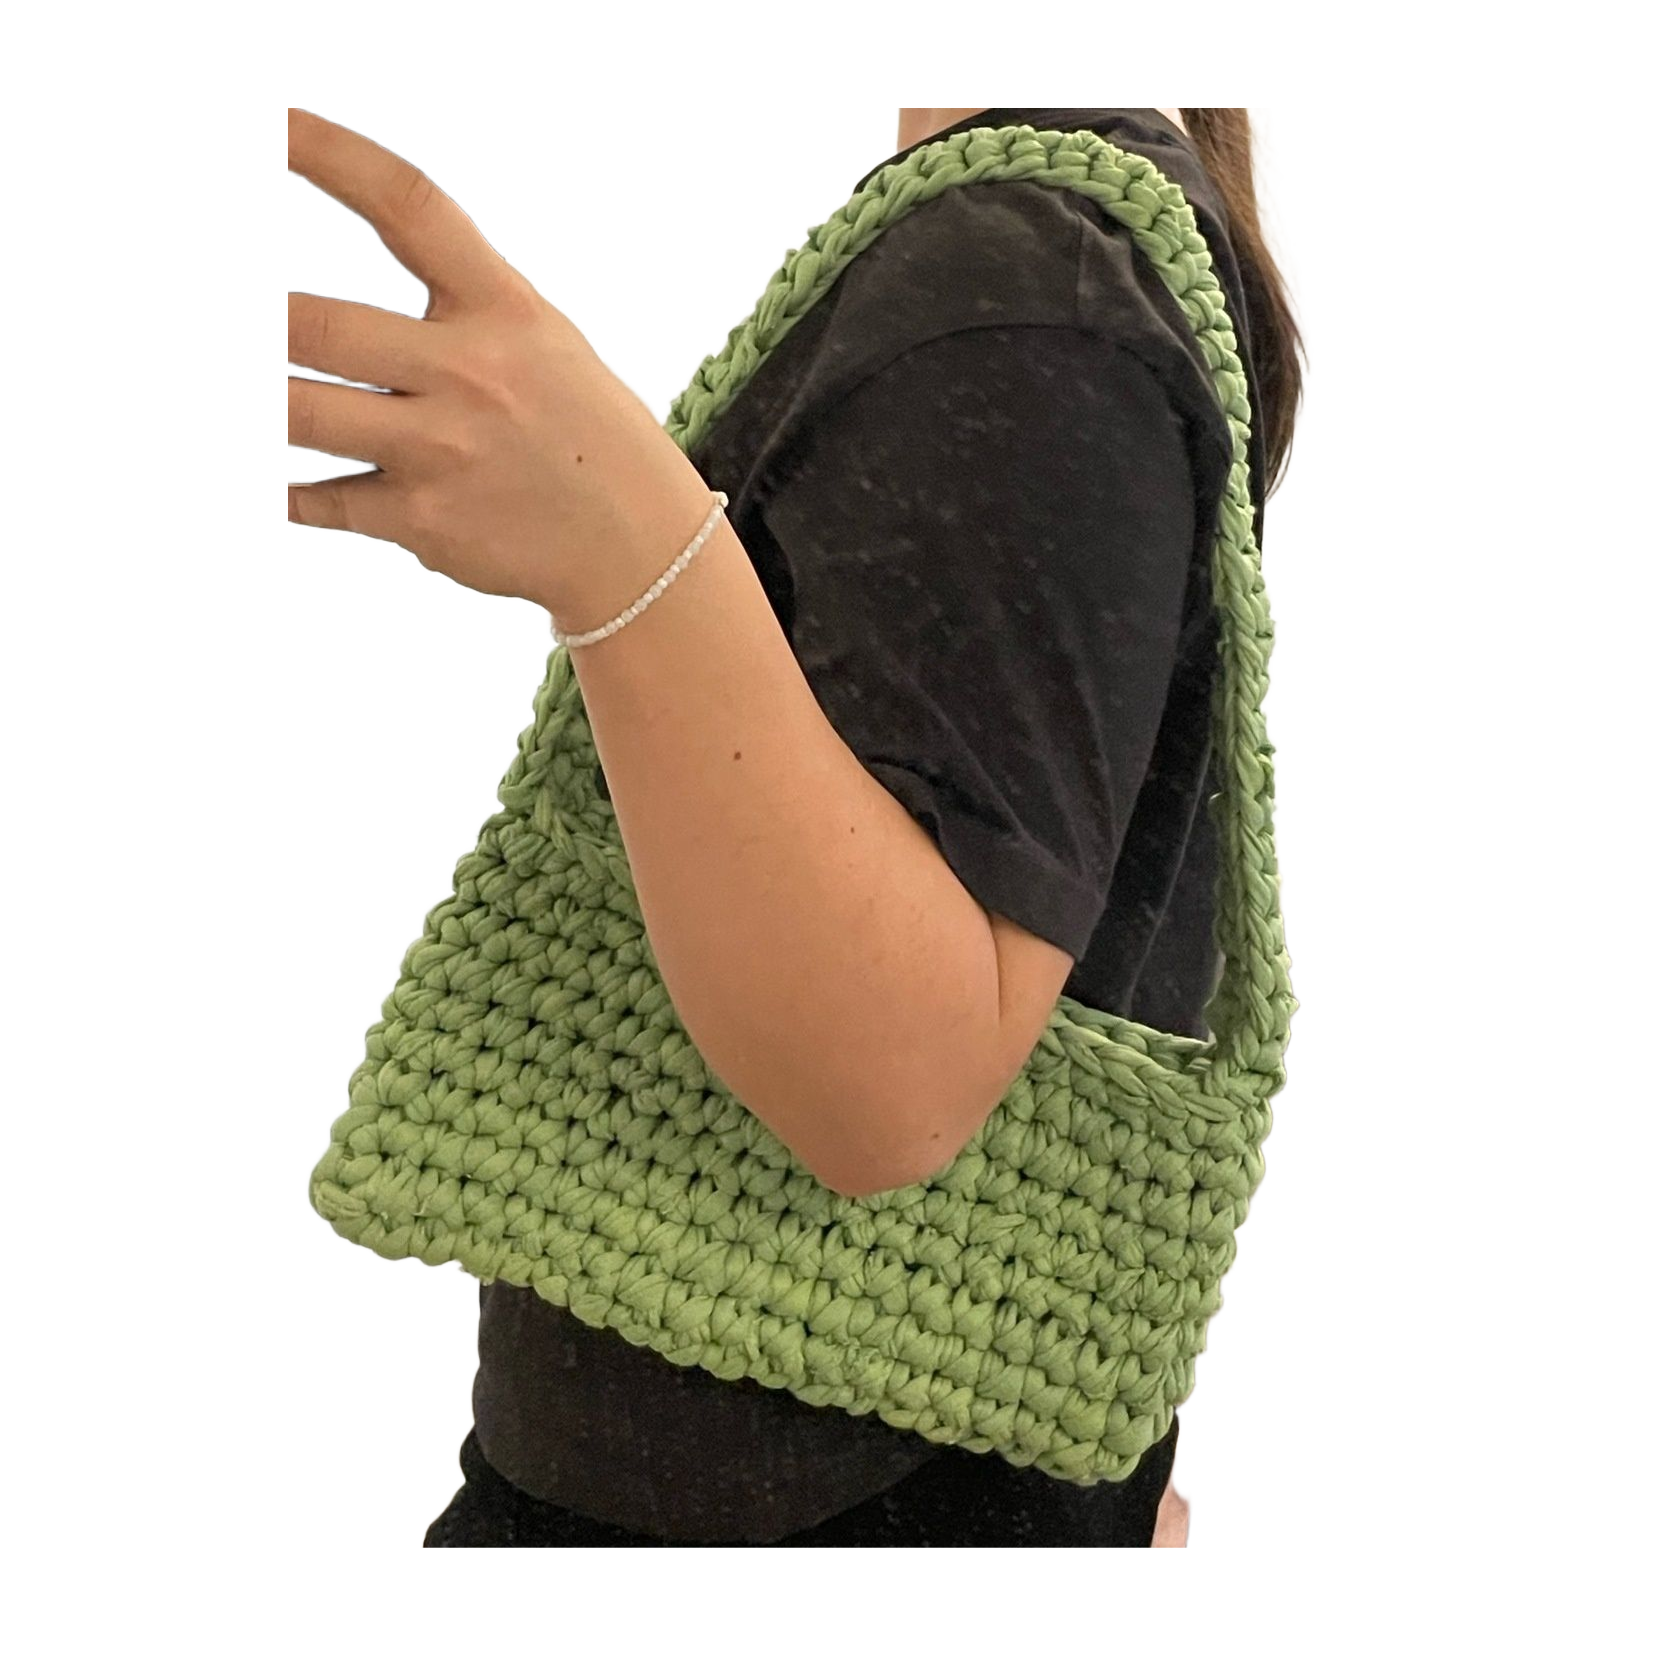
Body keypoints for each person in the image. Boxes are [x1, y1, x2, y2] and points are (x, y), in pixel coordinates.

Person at [287, 104, 1306, 1548]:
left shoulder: (1029, 272)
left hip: (789, 1490)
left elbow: (890, 1086)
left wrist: (622, 545)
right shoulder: (1044, 244)